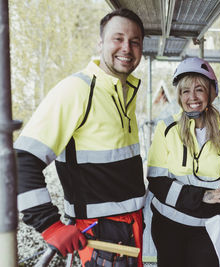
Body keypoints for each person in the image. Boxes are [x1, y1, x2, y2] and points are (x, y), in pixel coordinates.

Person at [14, 8, 146, 267]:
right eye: (117, 39)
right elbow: (22, 160)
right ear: (100, 43)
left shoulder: (125, 93)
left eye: (135, 41)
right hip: (100, 237)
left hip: (131, 229)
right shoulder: (76, 90)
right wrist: (49, 226)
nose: (126, 48)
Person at [147, 57, 220, 267]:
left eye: (199, 89)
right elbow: (157, 181)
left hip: (208, 226)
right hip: (169, 225)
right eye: (185, 91)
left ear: (211, 92)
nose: (191, 97)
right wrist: (203, 196)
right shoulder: (167, 129)